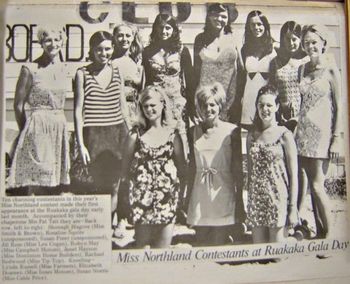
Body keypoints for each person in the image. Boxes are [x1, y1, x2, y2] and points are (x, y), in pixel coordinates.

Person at [121, 85, 187, 248]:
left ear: (163, 105)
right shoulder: (135, 135)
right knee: (142, 249)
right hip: (141, 200)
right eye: (145, 106)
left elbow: (182, 167)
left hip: (167, 199)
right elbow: (125, 169)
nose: (149, 110)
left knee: (162, 250)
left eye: (153, 105)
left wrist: (179, 197)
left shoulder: (173, 135)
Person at [7, 26, 70, 195]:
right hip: (38, 128)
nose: (53, 44)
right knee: (38, 178)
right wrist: (26, 130)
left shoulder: (64, 69)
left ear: (62, 42)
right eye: (48, 40)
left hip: (58, 126)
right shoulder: (30, 69)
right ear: (41, 42)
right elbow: (18, 105)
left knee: (55, 183)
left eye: (57, 40)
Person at [295, 25, 342, 239]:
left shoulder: (331, 70)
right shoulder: (301, 69)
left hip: (322, 134)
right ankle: (320, 232)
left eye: (314, 42)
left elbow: (340, 107)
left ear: (323, 43)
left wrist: (336, 139)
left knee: (317, 185)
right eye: (306, 43)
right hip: (302, 133)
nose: (310, 46)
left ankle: (330, 237)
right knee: (309, 187)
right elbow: (302, 103)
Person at [186, 82, 245, 246]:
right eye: (203, 105)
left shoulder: (232, 131)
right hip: (200, 194)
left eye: (212, 104)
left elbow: (237, 168)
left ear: (219, 106)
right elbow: (191, 168)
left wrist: (239, 200)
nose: (208, 109)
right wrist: (187, 198)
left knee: (218, 243)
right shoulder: (193, 131)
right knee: (202, 243)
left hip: (223, 192)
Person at [73, 31, 128, 197]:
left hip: (118, 132)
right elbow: (77, 111)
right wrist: (81, 144)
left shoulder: (117, 71)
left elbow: (123, 106)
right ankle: (101, 221)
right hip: (93, 134)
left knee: (118, 181)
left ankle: (118, 218)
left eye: (108, 49)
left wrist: (132, 131)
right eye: (99, 50)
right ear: (92, 50)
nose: (104, 54)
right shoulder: (82, 74)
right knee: (96, 182)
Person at [246, 85, 298, 243]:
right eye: (261, 105)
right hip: (257, 199)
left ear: (276, 107)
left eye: (269, 105)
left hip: (278, 198)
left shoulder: (285, 135)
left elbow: (293, 176)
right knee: (259, 253)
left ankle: (298, 237)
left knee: (276, 257)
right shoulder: (251, 136)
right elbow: (250, 172)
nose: (265, 109)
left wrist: (292, 208)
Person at [142, 13, 194, 148]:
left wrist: (191, 106)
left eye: (168, 28)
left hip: (177, 104)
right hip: (157, 104)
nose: (164, 31)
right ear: (155, 29)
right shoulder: (147, 52)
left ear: (174, 30)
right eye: (160, 28)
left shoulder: (182, 51)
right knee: (159, 141)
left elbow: (190, 80)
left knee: (180, 141)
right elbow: (147, 81)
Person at [193, 3, 240, 122]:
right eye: (215, 15)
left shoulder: (234, 39)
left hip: (228, 97)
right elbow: (196, 71)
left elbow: (240, 71)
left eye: (223, 16)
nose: (219, 19)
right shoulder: (200, 39)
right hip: (205, 97)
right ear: (208, 16)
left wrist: (236, 101)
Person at [238, 10, 277, 129]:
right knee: (252, 134)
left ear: (265, 26)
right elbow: (241, 76)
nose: (256, 27)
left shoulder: (275, 47)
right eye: (252, 25)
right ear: (248, 27)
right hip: (250, 96)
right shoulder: (245, 49)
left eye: (259, 24)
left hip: (267, 97)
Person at [270, 21, 308, 132]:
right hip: (283, 116)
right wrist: (279, 111)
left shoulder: (306, 61)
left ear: (300, 40)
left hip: (303, 114)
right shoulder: (275, 62)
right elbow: (273, 90)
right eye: (287, 39)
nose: (291, 43)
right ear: (282, 40)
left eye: (294, 39)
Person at [112, 23, 144, 126]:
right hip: (116, 110)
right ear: (114, 38)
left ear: (133, 37)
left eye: (128, 35)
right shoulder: (111, 62)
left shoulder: (137, 61)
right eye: (120, 35)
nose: (124, 39)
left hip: (135, 109)